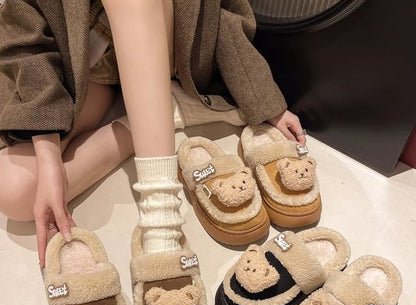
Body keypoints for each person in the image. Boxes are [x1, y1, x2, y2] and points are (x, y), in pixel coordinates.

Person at [0, 0, 306, 268]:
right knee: (15, 191)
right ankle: (161, 114)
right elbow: (26, 30)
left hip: (162, 42)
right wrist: (48, 157)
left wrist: (261, 98)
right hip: (85, 72)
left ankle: (162, 222)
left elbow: (223, 13)